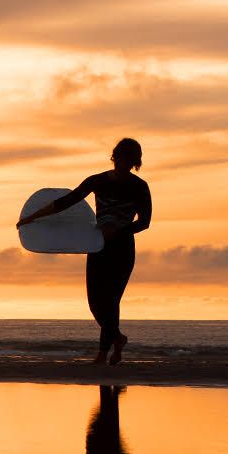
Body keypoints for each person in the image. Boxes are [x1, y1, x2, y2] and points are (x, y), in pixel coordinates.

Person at [17, 138, 151, 365]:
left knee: (111, 301)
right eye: (120, 157)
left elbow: (145, 222)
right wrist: (33, 217)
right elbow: (67, 201)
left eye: (129, 159)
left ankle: (102, 354)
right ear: (114, 156)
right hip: (97, 246)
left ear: (135, 161)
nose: (123, 162)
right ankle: (117, 339)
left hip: (122, 248)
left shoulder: (139, 187)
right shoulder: (97, 181)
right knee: (95, 303)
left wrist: (118, 230)